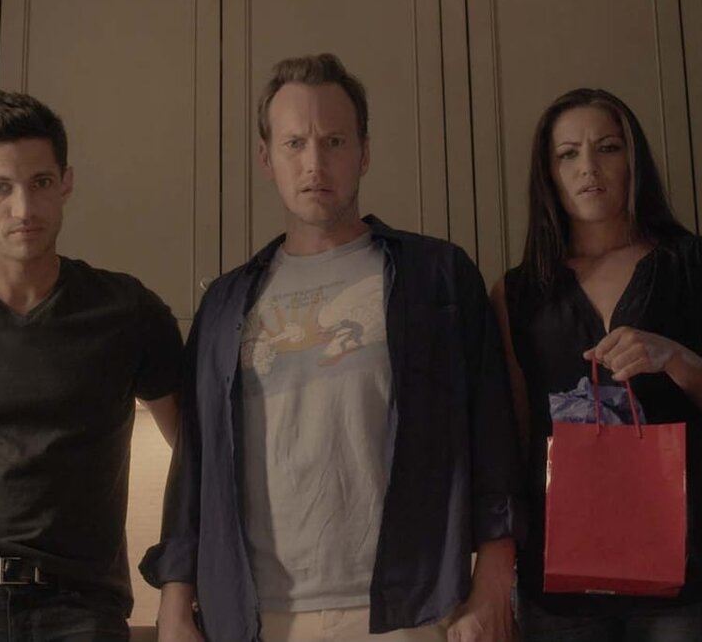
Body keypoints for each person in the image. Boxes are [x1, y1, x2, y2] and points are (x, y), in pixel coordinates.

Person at [142, 53, 522, 642]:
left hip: (411, 611)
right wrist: (174, 602)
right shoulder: (224, 304)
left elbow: (495, 438)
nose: (314, 162)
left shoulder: (437, 278)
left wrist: (494, 584)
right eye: (294, 143)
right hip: (256, 616)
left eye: (334, 141)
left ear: (363, 152)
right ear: (267, 158)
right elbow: (196, 464)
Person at [0, 90, 183, 641]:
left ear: (66, 183)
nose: (24, 209)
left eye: (41, 182)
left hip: (82, 609)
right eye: (0, 187)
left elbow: (197, 456)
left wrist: (178, 585)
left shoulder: (126, 311)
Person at [492, 87, 702, 641]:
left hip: (687, 564)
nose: (588, 167)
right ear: (548, 173)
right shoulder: (516, 294)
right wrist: (495, 566)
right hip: (560, 572)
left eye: (607, 148)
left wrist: (676, 359)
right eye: (568, 154)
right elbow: (514, 439)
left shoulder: (699, 265)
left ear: (634, 160)